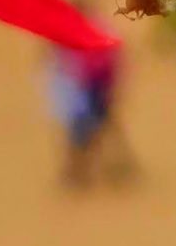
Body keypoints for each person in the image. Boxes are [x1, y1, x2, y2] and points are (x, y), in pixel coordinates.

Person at [43, 21, 136, 188]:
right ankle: (93, 171)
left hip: (92, 91)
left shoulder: (92, 34)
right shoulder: (91, 33)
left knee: (88, 133)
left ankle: (80, 172)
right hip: (88, 92)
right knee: (96, 132)